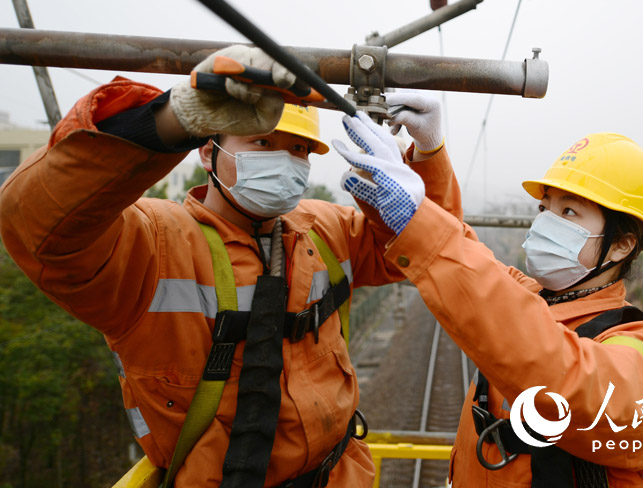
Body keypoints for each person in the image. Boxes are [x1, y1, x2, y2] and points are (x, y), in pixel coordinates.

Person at [0, 46, 459, 488]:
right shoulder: (152, 242)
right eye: (262, 141)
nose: (285, 160)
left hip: (341, 475)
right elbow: (38, 227)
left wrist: (428, 153)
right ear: (206, 149)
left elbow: (425, 249)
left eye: (299, 149)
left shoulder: (322, 229)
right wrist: (169, 120)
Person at [334, 113, 643, 488]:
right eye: (545, 209)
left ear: (622, 245)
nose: (545, 222)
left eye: (569, 211)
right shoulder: (531, 297)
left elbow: (563, 377)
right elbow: (460, 255)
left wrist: (418, 218)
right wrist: (426, 155)